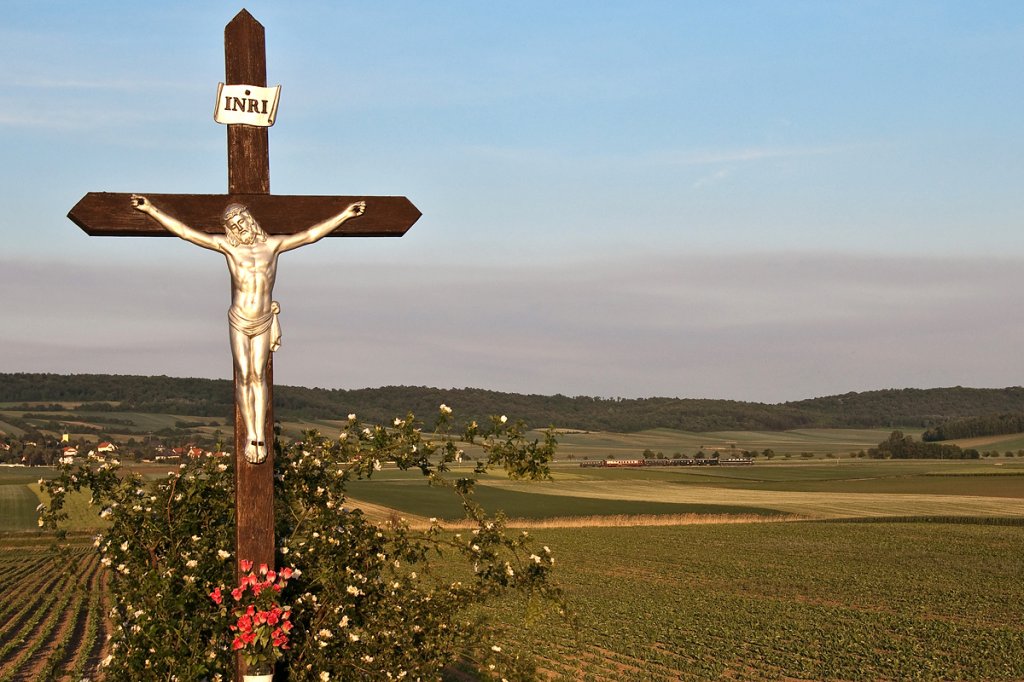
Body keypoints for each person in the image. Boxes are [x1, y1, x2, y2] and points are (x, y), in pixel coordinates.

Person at [131, 195, 365, 463]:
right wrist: (150, 209)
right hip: (239, 318)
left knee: (258, 375)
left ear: (250, 219)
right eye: (232, 223)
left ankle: (260, 436)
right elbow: (186, 232)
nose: (239, 226)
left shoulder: (274, 245)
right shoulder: (229, 248)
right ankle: (251, 434)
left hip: (263, 318)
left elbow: (310, 235)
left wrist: (345, 215)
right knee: (243, 376)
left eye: (241, 219)